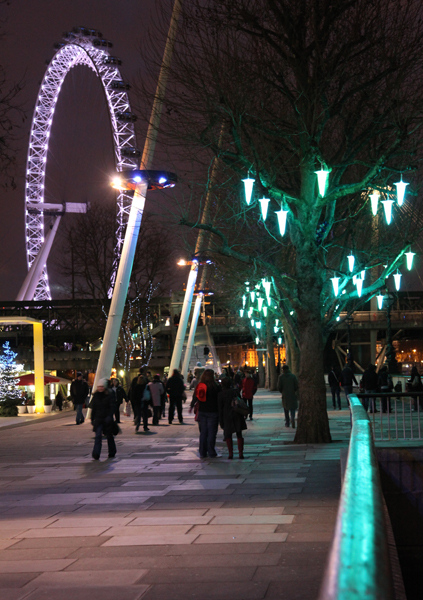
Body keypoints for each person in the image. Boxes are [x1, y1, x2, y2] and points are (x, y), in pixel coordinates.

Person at [190, 369, 220, 458]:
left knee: (203, 432)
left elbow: (195, 397)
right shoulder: (216, 387)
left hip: (202, 411)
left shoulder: (200, 386)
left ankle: (202, 452)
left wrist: (191, 406)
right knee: (211, 432)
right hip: (213, 411)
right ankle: (211, 451)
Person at [218, 377, 247, 459]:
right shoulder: (235, 392)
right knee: (239, 434)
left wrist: (221, 420)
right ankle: (241, 453)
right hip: (237, 413)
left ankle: (230, 453)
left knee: (228, 435)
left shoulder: (221, 394)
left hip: (227, 415)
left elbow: (220, 408)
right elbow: (240, 401)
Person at [90, 379, 117, 460]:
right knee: (98, 436)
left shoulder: (109, 395)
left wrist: (109, 416)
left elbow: (112, 407)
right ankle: (96, 454)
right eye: (99, 387)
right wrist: (92, 419)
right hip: (98, 419)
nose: (100, 388)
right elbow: (93, 408)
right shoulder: (96, 396)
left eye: (102, 386)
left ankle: (112, 452)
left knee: (109, 436)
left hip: (107, 419)